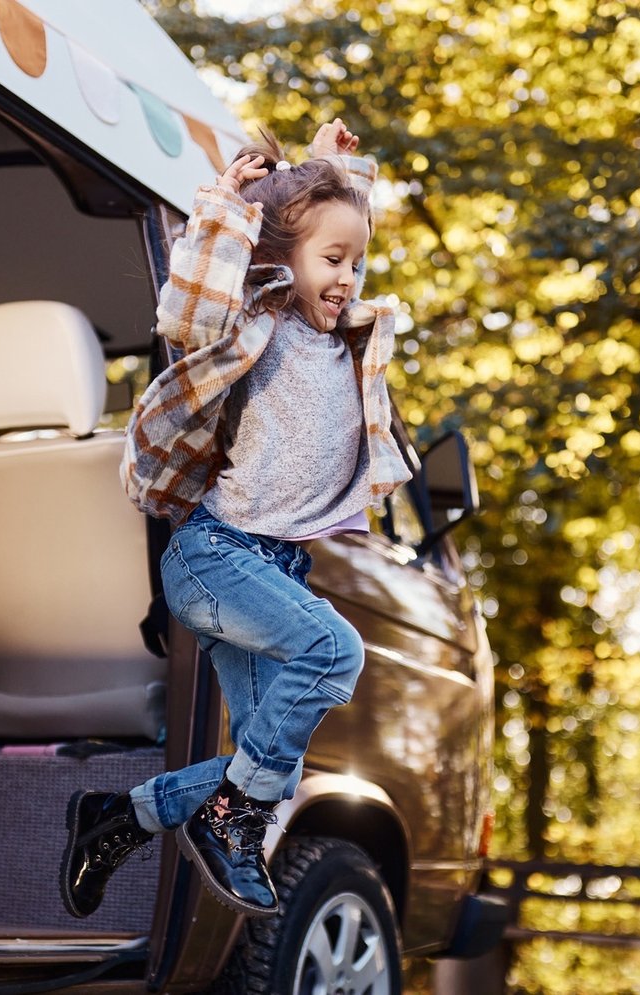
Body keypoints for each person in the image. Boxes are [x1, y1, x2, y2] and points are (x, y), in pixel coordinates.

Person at [59, 119, 414, 919]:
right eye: (332, 262)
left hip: (272, 568)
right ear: (278, 261)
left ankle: (125, 814)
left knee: (272, 764)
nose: (349, 278)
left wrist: (333, 167)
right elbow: (192, 310)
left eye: (357, 263)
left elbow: (333, 223)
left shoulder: (348, 342)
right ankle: (228, 823)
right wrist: (223, 211)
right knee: (333, 650)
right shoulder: (255, 329)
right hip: (214, 557)